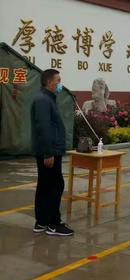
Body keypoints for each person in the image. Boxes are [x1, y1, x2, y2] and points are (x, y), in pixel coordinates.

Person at [31, 69, 74, 236]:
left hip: (48, 149)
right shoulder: (42, 100)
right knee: (55, 186)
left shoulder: (47, 98)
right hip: (49, 151)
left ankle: (41, 222)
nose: (60, 84)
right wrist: (48, 153)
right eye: (58, 80)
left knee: (45, 185)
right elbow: (43, 128)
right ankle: (53, 224)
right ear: (49, 82)